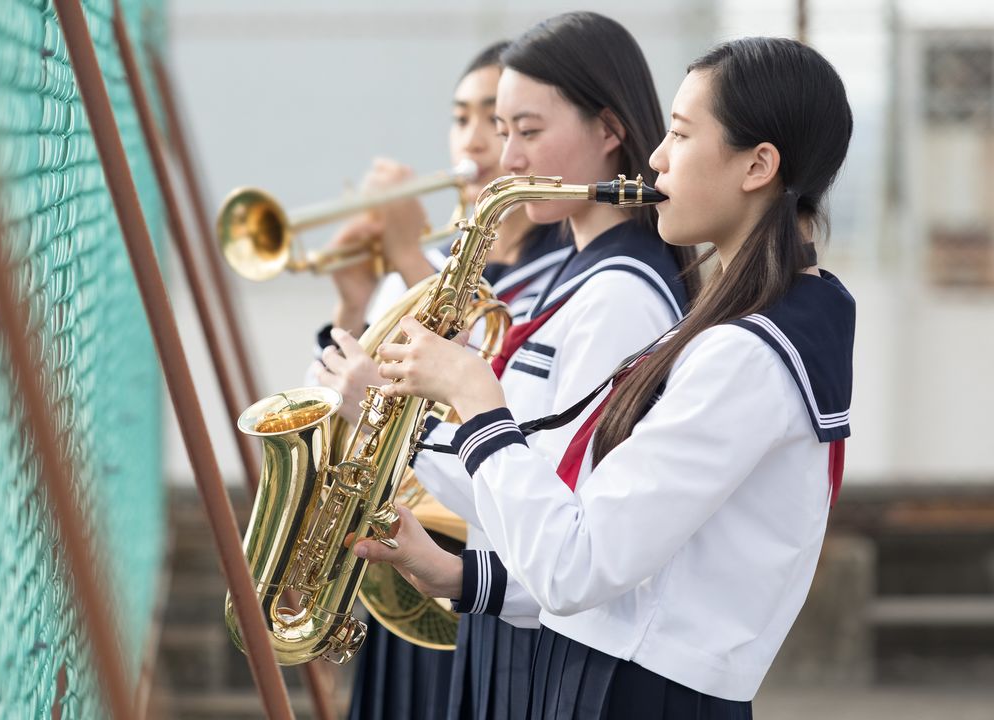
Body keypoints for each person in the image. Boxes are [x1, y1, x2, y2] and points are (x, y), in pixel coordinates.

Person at [359, 36, 856, 719]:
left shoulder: (749, 353)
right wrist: (462, 571)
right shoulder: (755, 324)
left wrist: (477, 403)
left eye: (680, 135)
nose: (656, 158)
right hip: (625, 677)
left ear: (758, 165)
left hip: (637, 692)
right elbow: (607, 548)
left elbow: (578, 566)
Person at [342, 12, 700, 720]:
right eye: (502, 132)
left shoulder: (620, 297)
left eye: (527, 132)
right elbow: (524, 485)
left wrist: (404, 426)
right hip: (521, 631)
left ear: (609, 131)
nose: (505, 159)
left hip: (556, 653)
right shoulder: (583, 274)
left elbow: (566, 526)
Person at [326, 40, 570, 720]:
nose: (476, 144)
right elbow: (343, 404)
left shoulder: (556, 280)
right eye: (462, 119)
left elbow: (486, 406)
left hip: (476, 572)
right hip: (396, 562)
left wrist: (408, 258)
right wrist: (350, 302)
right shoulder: (439, 259)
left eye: (503, 125)